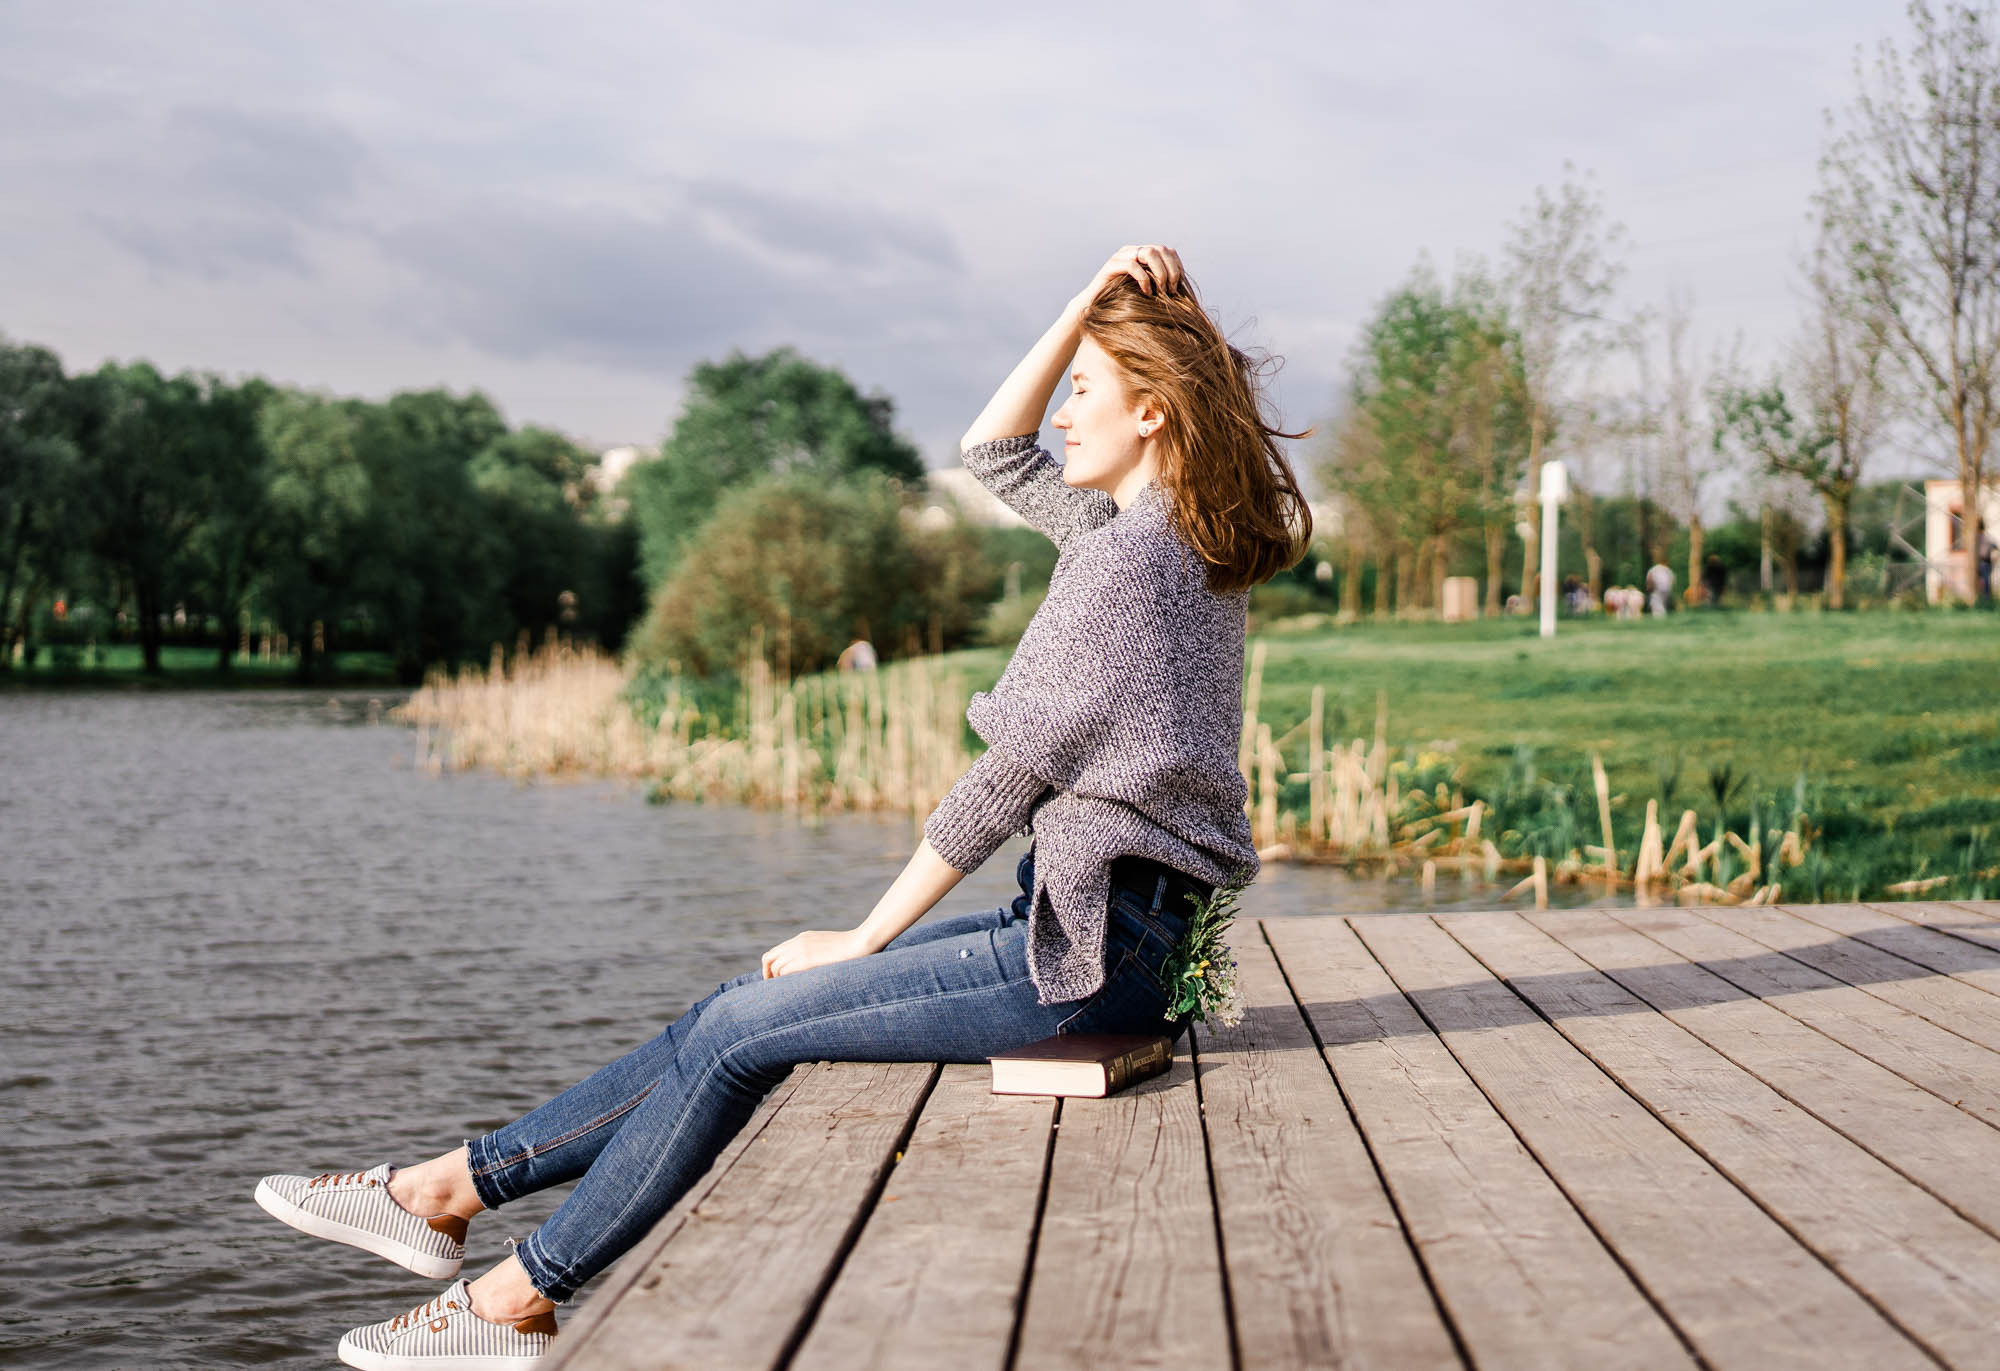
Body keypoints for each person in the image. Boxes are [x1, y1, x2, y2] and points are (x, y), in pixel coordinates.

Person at [252, 245, 1312, 1369]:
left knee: (735, 1039)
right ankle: (443, 1193)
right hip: (1115, 936)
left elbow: (1001, 785)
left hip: (1090, 961)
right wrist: (1081, 311)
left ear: (1151, 411)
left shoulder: (1124, 568)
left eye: (1082, 389)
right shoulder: (1167, 539)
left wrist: (860, 936)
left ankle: (516, 1298)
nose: (1058, 412)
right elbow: (991, 453)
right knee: (739, 1005)